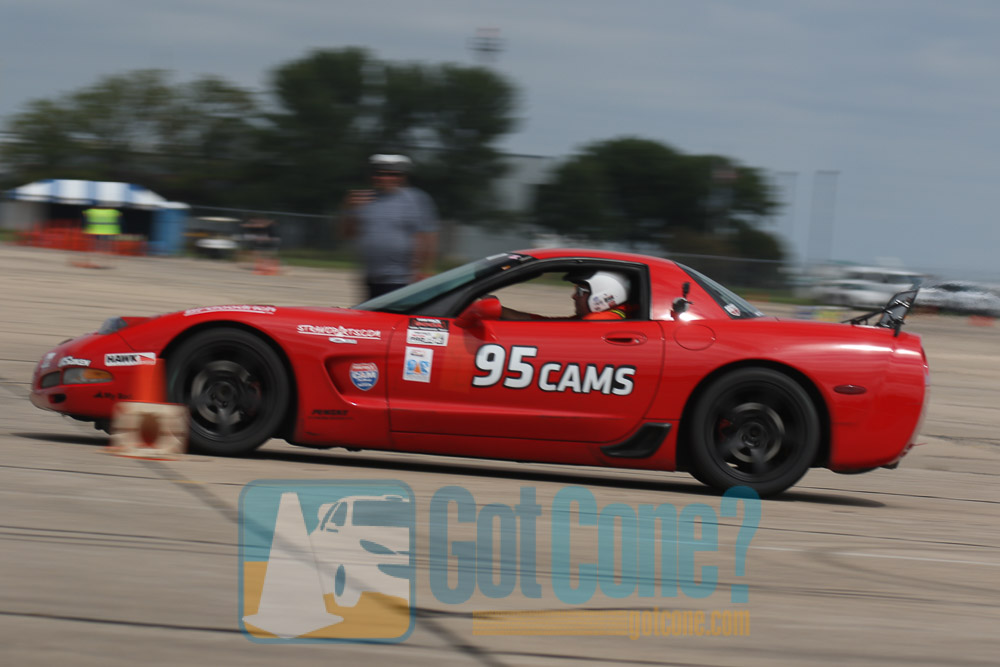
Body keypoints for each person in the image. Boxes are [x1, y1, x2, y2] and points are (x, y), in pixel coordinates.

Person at [340, 154, 439, 300]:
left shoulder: (416, 199)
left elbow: (428, 238)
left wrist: (424, 271)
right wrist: (348, 210)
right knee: (370, 313)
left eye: (392, 174)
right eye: (379, 174)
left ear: (402, 177)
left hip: (402, 279)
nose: (385, 178)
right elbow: (347, 234)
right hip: (371, 276)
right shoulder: (363, 199)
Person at [499, 270, 632, 321]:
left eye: (579, 291)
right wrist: (499, 310)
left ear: (603, 297)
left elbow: (548, 330)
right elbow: (543, 323)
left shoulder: (598, 321)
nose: (573, 296)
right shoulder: (611, 317)